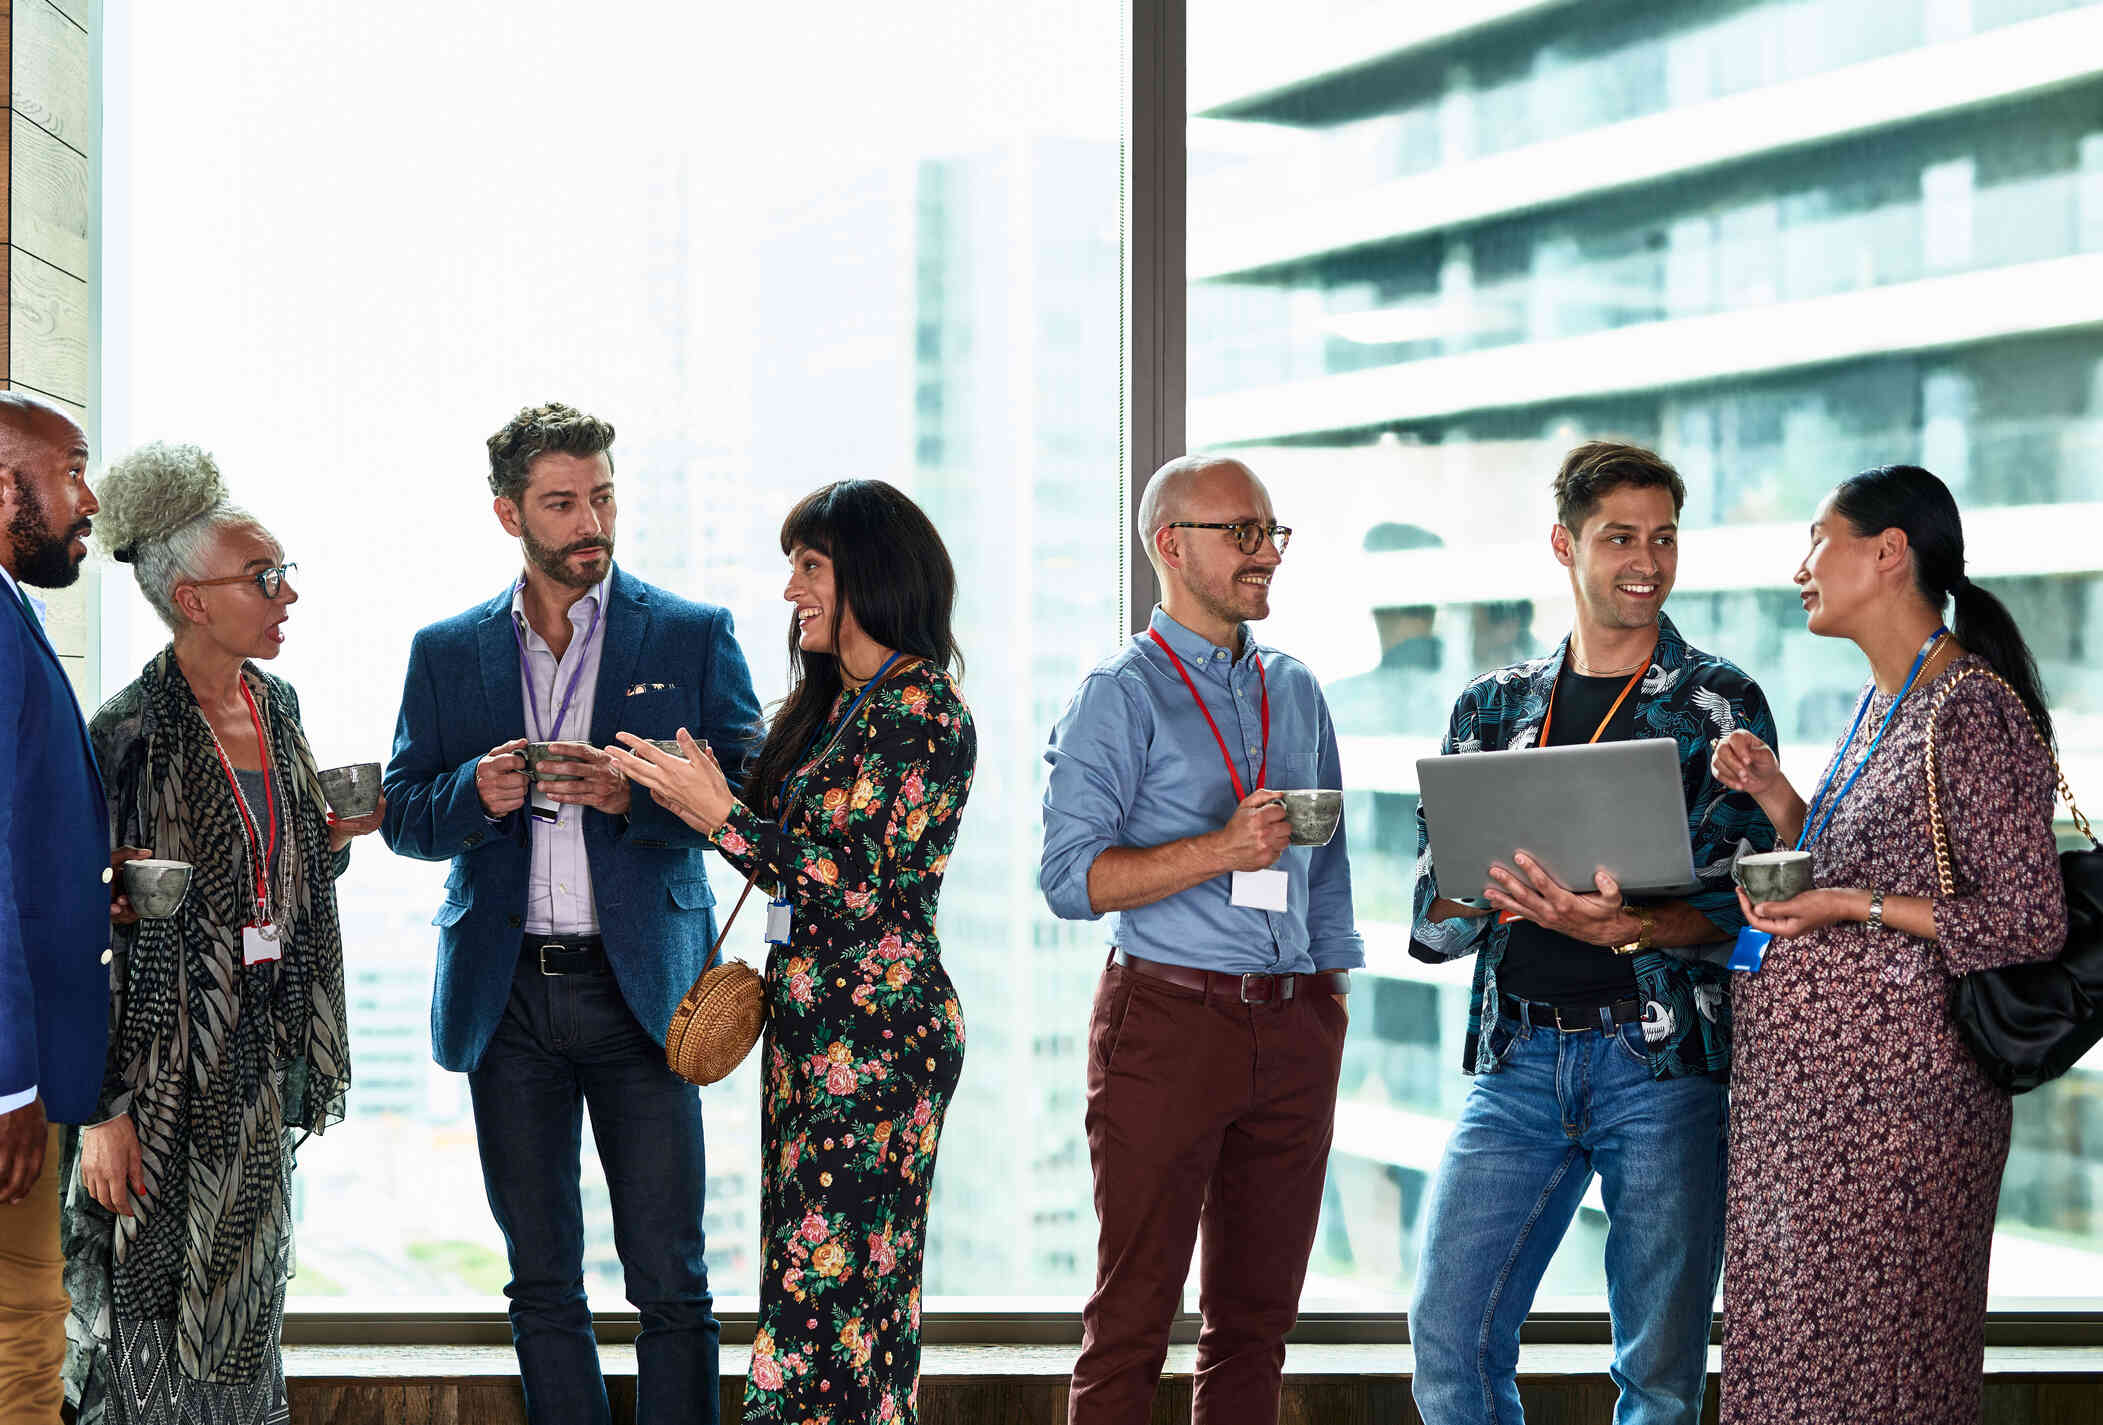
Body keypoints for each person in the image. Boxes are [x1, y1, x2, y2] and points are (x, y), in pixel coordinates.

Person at [380, 402, 760, 1425]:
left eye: (602, 496)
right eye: (562, 503)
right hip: (506, 1002)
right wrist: (476, 792)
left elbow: (753, 807)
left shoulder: (690, 635)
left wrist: (638, 795)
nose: (590, 520)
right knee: (543, 1284)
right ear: (510, 515)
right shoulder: (446, 651)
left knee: (672, 1283)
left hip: (645, 996)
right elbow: (405, 816)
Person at [1408, 442, 1778, 1425]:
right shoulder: (1488, 710)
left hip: (1660, 1070)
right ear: (1564, 545)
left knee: (1657, 1379)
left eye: (1663, 537)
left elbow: (1751, 913)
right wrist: (1479, 892)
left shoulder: (1720, 703)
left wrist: (1626, 926)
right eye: (1620, 537)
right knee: (1448, 1337)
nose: (1645, 560)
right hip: (1519, 1059)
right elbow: (1432, 929)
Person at [611, 478, 975, 1425]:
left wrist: (719, 817)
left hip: (879, 1044)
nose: (791, 591)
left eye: (809, 567)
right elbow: (789, 847)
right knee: (822, 1298)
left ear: (869, 572)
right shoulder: (842, 705)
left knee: (835, 1310)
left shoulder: (923, 708)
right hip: (819, 1033)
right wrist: (673, 788)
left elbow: (848, 883)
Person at [1709, 465, 2064, 1425]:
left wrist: (1848, 905)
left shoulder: (1969, 709)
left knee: (1880, 1381)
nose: (1799, 567)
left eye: (1815, 538)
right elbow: (1851, 867)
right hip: (1817, 1126)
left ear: (1887, 551)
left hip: (1897, 1127)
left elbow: (2028, 917)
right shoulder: (1884, 701)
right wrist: (1779, 797)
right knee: (1804, 1375)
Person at [61, 443, 381, 1423]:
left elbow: (271, 880)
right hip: (157, 1086)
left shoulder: (275, 706)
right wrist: (102, 1113)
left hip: (255, 1067)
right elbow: (101, 936)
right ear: (192, 598)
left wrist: (325, 844)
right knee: (153, 1323)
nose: (289, 595)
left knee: (244, 1318)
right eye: (263, 576)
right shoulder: (132, 732)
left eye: (285, 572)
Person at [1039, 453, 1361, 1425]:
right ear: (1171, 546)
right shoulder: (1119, 693)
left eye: (1273, 532)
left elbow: (1330, 871)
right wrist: (1219, 849)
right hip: (1169, 1023)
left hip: (1295, 1027)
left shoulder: (1297, 689)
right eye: (1244, 533)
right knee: (1134, 1318)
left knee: (1256, 1326)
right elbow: (1068, 880)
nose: (1267, 553)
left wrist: (1329, 1001)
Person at [0, 393, 114, 1424]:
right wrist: (9, 1085)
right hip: (6, 1074)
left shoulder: (13, 605)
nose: (90, 498)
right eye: (72, 469)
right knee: (24, 1328)